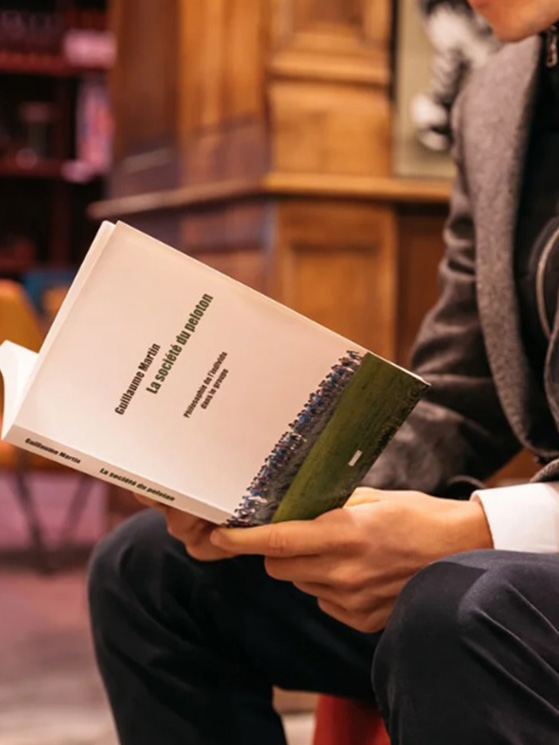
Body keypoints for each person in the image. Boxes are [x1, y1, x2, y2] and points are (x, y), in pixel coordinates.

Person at [88, 2, 559, 743]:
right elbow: (460, 394)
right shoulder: (493, 99)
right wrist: (282, 488)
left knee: (456, 611)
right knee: (148, 568)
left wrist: (478, 529)